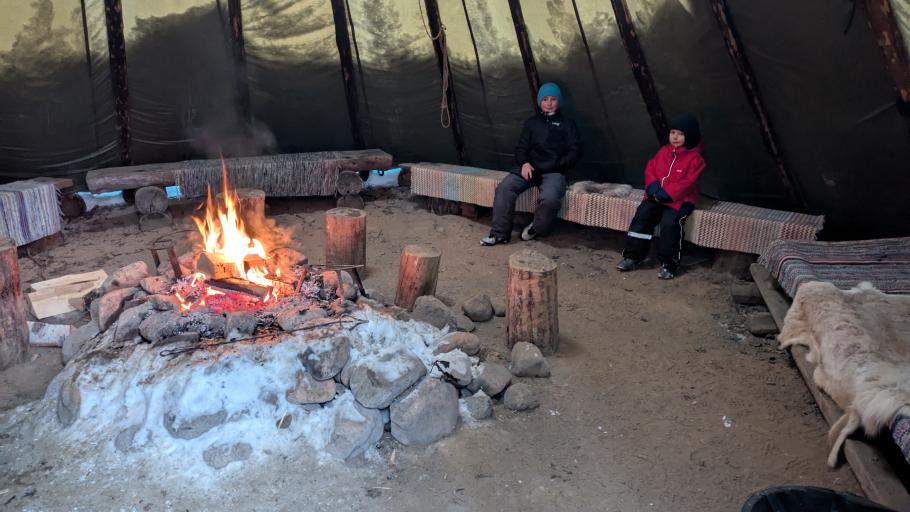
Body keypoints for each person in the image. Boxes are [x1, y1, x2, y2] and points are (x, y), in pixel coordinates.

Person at [480, 82, 582, 246]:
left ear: (559, 101)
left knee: (550, 198)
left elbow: (575, 151)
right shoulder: (532, 123)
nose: (549, 103)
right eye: (545, 99)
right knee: (504, 188)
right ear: (539, 102)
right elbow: (521, 148)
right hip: (530, 169)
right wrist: (525, 163)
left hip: (554, 172)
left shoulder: (568, 124)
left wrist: (558, 165)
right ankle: (499, 234)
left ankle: (536, 227)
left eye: (553, 99)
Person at [616, 113, 705, 279]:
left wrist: (667, 194)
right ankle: (633, 256)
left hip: (680, 201)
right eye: (673, 132)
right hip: (656, 196)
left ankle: (669, 264)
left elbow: (688, 183)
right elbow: (651, 169)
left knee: (670, 223)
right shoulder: (663, 151)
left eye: (681, 133)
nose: (675, 137)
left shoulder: (695, 159)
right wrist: (653, 188)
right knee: (643, 215)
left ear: (690, 136)